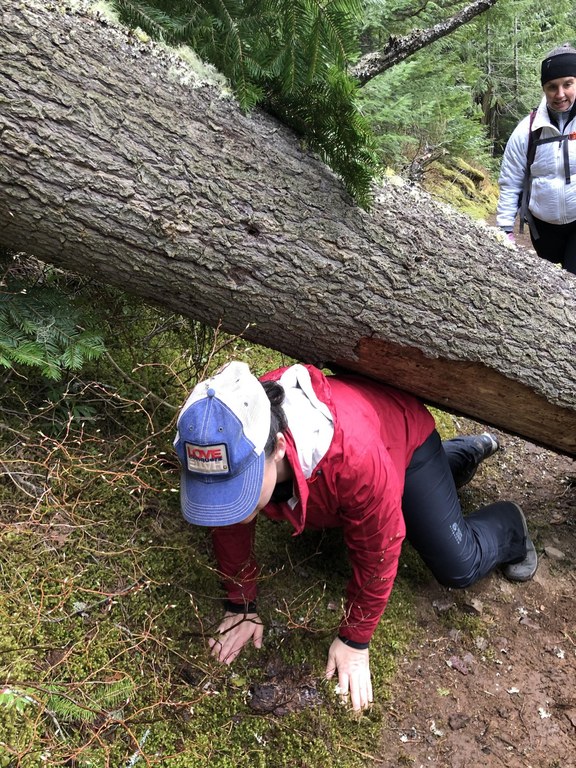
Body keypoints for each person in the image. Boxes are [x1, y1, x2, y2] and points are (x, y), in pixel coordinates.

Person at [174, 361, 538, 712]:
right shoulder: (230, 424)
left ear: (280, 447)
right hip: (374, 445)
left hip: (404, 443)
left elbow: (381, 543)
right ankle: (453, 462)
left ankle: (510, 524)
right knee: (393, 493)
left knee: (459, 564)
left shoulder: (352, 458)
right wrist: (241, 604)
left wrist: (354, 638)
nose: (229, 508)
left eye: (240, 490)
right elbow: (228, 520)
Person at [497, 43, 576, 274]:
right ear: (544, 89)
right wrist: (503, 229)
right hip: (542, 229)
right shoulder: (527, 130)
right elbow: (510, 180)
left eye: (567, 84)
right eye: (552, 86)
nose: (560, 94)